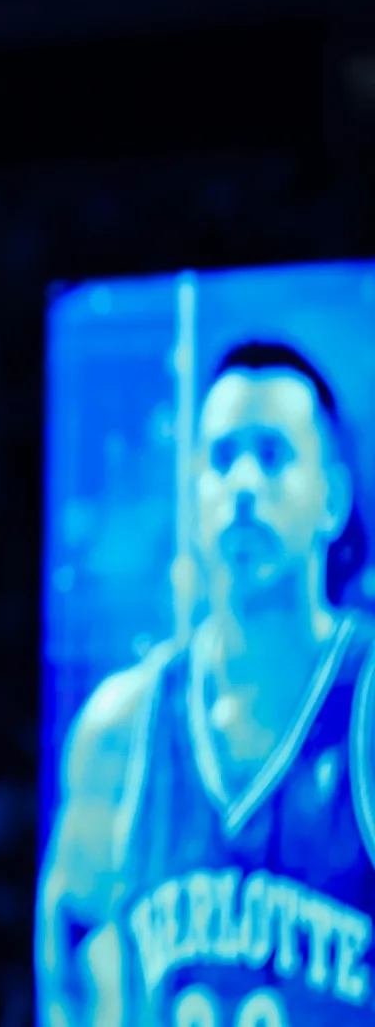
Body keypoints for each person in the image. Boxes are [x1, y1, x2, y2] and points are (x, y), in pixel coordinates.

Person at [37, 342, 375, 1027]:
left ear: (332, 499)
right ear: (195, 497)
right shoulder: (121, 727)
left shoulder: (364, 700)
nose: (244, 482)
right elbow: (66, 965)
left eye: (273, 454)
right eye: (221, 458)